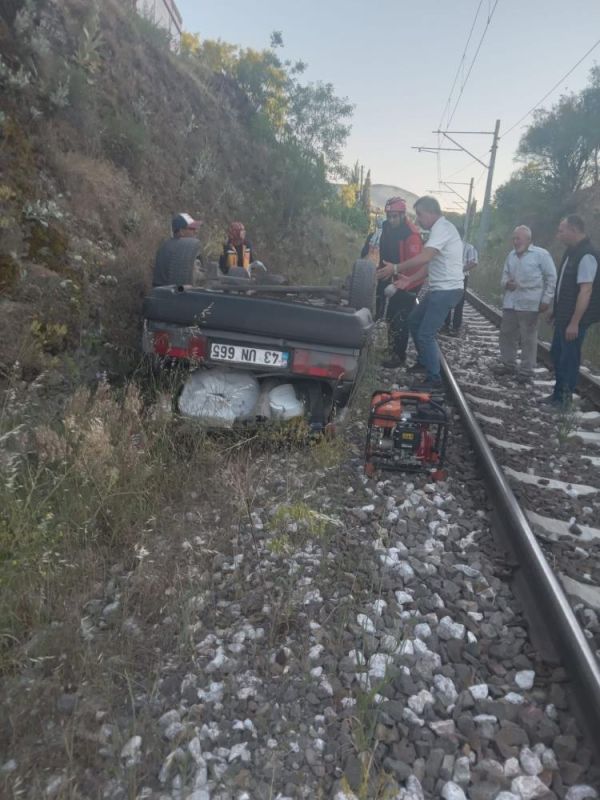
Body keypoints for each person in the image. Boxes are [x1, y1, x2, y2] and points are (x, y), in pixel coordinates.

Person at [381, 196, 464, 388]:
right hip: (439, 289)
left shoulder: (442, 229)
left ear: (432, 212)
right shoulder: (438, 231)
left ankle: (434, 379)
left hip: (447, 290)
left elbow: (425, 256)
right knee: (414, 320)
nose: (417, 220)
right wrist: (410, 279)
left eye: (420, 214)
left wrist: (395, 268)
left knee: (426, 334)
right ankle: (424, 362)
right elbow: (430, 264)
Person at [541, 214, 600, 407]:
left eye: (561, 230)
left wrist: (575, 322)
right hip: (564, 316)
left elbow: (586, 290)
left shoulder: (587, 255)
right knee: (558, 355)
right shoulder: (572, 252)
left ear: (573, 230)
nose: (558, 234)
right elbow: (565, 286)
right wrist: (556, 311)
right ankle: (557, 395)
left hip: (575, 320)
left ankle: (564, 402)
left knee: (569, 360)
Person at [493, 225, 556, 384]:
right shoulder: (511, 255)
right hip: (511, 302)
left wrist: (546, 300)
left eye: (518, 238)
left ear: (528, 239)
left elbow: (551, 278)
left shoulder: (541, 255)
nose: (515, 241)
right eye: (514, 238)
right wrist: (507, 283)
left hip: (530, 303)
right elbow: (503, 277)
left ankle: (526, 372)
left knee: (528, 338)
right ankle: (509, 364)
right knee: (506, 334)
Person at [374, 197, 425, 368]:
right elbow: (384, 252)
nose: (391, 220)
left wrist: (397, 284)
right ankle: (388, 347)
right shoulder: (387, 227)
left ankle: (398, 355)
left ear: (403, 215)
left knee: (400, 318)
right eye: (389, 216)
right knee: (387, 315)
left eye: (395, 216)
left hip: (408, 281)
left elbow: (415, 265)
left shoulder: (412, 235)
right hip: (389, 273)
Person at [441, 228, 478, 336]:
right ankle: (448, 325)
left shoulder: (468, 247)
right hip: (451, 276)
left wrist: (458, 269)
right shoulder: (448, 247)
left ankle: (454, 326)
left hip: (461, 277)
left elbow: (473, 262)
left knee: (458, 301)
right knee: (449, 300)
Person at [152, 213, 203, 287]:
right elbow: (184, 284)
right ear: (181, 231)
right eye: (192, 228)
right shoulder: (182, 251)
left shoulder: (165, 246)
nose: (196, 231)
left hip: (159, 292)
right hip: (177, 292)